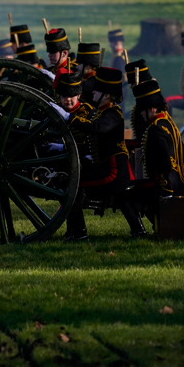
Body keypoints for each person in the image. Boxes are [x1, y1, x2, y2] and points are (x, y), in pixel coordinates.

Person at [66, 67, 144, 239]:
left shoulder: (112, 113)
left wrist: (69, 118)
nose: (93, 92)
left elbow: (97, 129)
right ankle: (138, 231)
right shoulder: (102, 112)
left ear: (106, 95)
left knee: (72, 186)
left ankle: (78, 232)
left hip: (113, 173)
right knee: (121, 197)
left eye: (98, 90)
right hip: (110, 171)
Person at [132, 79, 184, 215]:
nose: (141, 114)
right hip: (179, 184)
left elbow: (164, 162)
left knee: (127, 194)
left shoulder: (155, 129)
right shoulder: (169, 124)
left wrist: (166, 191)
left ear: (152, 108)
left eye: (143, 110)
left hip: (165, 186)